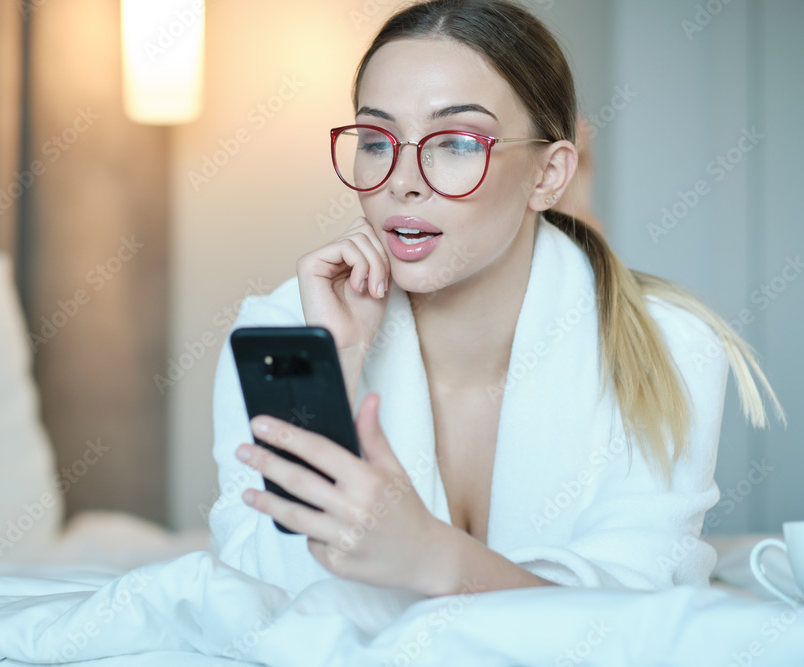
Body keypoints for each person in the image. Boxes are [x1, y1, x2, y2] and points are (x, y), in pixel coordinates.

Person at [207, 0, 783, 599]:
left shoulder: (669, 347)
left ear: (549, 175)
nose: (402, 180)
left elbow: (635, 613)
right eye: (377, 140)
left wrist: (435, 559)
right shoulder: (281, 334)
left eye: (455, 141)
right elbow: (261, 595)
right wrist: (331, 372)